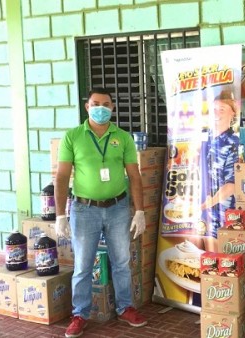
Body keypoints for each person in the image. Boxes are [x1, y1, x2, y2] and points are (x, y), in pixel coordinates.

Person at [54, 88, 148, 338]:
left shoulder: (123, 137)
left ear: (113, 108)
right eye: (96, 103)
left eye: (106, 104)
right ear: (87, 107)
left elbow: (134, 175)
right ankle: (80, 313)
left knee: (122, 262)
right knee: (83, 265)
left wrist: (139, 211)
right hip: (84, 210)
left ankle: (126, 307)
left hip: (118, 208)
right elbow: (62, 176)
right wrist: (60, 214)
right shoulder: (73, 136)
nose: (101, 108)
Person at [199, 90, 239, 252]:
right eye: (214, 109)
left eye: (222, 109)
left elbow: (232, 185)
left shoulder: (233, 143)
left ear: (233, 113)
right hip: (201, 211)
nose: (216, 113)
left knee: (221, 259)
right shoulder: (202, 138)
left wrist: (210, 202)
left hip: (222, 213)